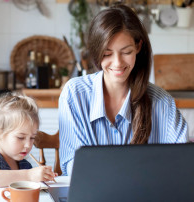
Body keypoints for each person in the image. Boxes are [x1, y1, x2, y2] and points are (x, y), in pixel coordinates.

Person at [59, 4, 188, 176]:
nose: (117, 63)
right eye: (107, 53)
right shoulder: (74, 94)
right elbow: (73, 167)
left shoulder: (162, 102)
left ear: (138, 47)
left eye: (126, 52)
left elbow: (182, 165)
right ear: (96, 52)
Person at [0, 93, 57, 202]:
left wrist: (43, 177)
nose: (28, 145)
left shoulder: (24, 165)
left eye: (32, 138)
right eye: (20, 137)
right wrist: (29, 175)